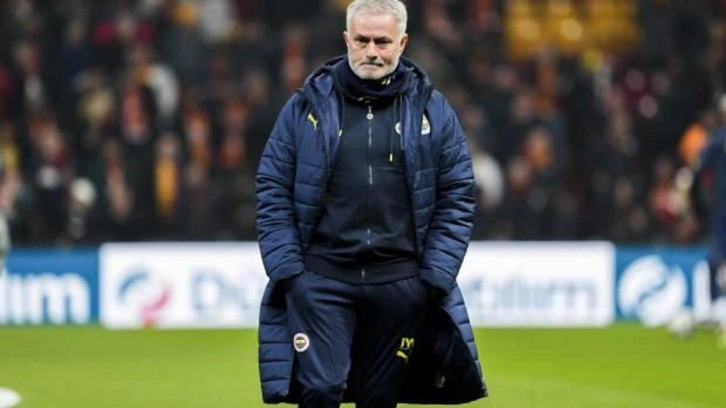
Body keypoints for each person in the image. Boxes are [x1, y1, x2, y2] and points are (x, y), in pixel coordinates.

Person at [255, 0, 487, 406]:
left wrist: (434, 275)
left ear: (402, 43)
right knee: (321, 389)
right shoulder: (305, 106)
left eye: (382, 41)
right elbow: (272, 186)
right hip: (322, 279)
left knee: (377, 399)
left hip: (400, 284)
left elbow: (457, 194)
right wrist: (289, 271)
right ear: (346, 39)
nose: (371, 51)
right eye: (362, 40)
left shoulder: (433, 110)